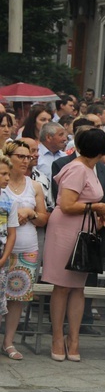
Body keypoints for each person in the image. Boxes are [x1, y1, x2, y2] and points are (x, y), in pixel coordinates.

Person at [43, 128, 105, 362]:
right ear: (101, 149)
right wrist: (97, 207)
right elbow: (67, 205)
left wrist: (99, 213)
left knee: (77, 287)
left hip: (84, 229)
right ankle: (56, 336)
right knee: (62, 286)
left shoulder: (89, 168)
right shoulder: (77, 168)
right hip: (66, 229)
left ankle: (73, 338)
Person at [1, 142, 48, 361]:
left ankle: (9, 341)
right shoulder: (3, 184)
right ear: (8, 158)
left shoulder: (35, 186)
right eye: (20, 156)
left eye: (28, 157)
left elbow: (45, 217)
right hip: (3, 247)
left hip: (27, 247)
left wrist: (31, 212)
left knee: (17, 297)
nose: (25, 161)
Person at [0, 154, 19, 359]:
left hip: (1, 257)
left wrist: (5, 257)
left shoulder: (9, 201)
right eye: (3, 174)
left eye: (7, 173)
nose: (7, 177)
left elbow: (12, 232)